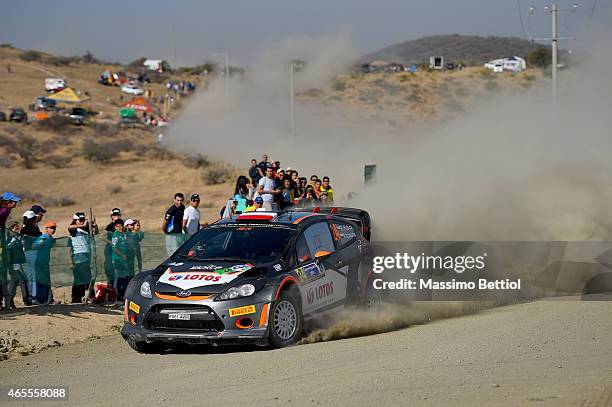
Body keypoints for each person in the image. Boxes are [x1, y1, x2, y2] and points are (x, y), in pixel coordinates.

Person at [68, 212, 97, 303]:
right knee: (79, 279)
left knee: (87, 277)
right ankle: (76, 297)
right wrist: (70, 262)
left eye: (83, 220)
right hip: (78, 257)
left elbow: (96, 232)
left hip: (87, 256)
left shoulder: (86, 230)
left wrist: (94, 225)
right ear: (75, 221)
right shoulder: (74, 231)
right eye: (80, 220)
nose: (82, 222)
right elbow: (70, 227)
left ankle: (89, 296)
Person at [0, 192, 21, 310]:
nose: (15, 203)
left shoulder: (5, 210)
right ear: (7, 202)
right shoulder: (4, 211)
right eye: (13, 201)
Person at [6, 222, 29, 309]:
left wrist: (23, 240)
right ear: (11, 231)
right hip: (12, 264)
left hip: (19, 263)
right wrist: (14, 240)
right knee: (19, 281)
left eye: (18, 229)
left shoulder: (19, 239)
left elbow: (23, 247)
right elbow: (7, 248)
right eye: (15, 229)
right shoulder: (9, 239)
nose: (18, 230)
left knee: (17, 282)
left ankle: (11, 301)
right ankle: (22, 299)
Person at [33, 221, 56, 305]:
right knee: (41, 281)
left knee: (46, 281)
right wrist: (40, 243)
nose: (53, 230)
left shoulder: (50, 238)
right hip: (39, 262)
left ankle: (48, 299)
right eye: (51, 228)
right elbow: (34, 245)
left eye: (54, 228)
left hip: (45, 262)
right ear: (46, 229)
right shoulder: (43, 237)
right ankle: (40, 300)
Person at [21, 210, 41, 302]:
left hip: (25, 254)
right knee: (34, 276)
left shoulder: (23, 229)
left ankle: (29, 296)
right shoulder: (34, 228)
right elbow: (39, 239)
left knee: (29, 276)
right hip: (32, 253)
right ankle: (33, 297)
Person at [111, 219, 129, 300]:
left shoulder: (123, 234)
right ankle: (115, 294)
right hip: (117, 259)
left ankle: (122, 294)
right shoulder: (115, 235)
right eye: (118, 226)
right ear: (115, 227)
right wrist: (122, 255)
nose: (120, 227)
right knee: (118, 277)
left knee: (124, 277)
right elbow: (114, 248)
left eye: (121, 226)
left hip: (123, 260)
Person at [104, 208, 122, 287]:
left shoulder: (121, 225)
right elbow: (102, 236)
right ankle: (110, 289)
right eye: (115, 215)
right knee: (111, 271)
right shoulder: (110, 226)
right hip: (110, 250)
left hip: (119, 251)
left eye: (118, 215)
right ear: (111, 217)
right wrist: (112, 243)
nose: (117, 216)